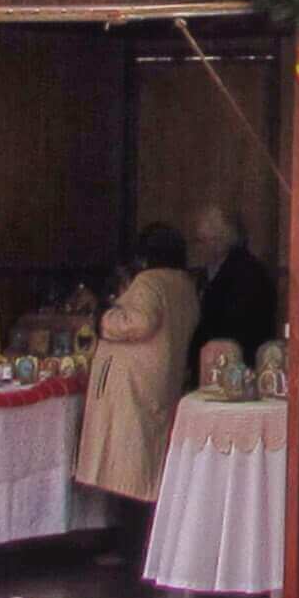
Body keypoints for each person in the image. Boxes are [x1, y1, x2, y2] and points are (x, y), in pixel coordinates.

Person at [73, 222, 201, 528]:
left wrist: (105, 317)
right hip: (159, 379)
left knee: (129, 470)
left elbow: (140, 321)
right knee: (146, 465)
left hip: (133, 385)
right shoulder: (184, 284)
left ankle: (128, 550)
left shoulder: (149, 282)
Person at [186, 205, 280, 357]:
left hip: (235, 363)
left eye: (202, 241)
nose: (197, 248)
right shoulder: (210, 270)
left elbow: (236, 325)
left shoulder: (247, 273)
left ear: (221, 240)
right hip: (215, 360)